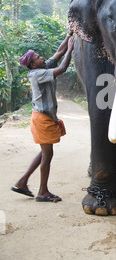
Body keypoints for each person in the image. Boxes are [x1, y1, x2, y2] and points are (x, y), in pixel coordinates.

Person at [11, 33, 75, 203]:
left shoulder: (43, 67)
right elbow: (62, 68)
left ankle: (22, 182)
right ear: (32, 64)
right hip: (42, 120)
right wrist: (71, 49)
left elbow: (58, 53)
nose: (42, 58)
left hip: (43, 118)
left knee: (44, 152)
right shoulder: (37, 74)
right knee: (47, 155)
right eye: (38, 57)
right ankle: (42, 192)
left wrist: (69, 35)